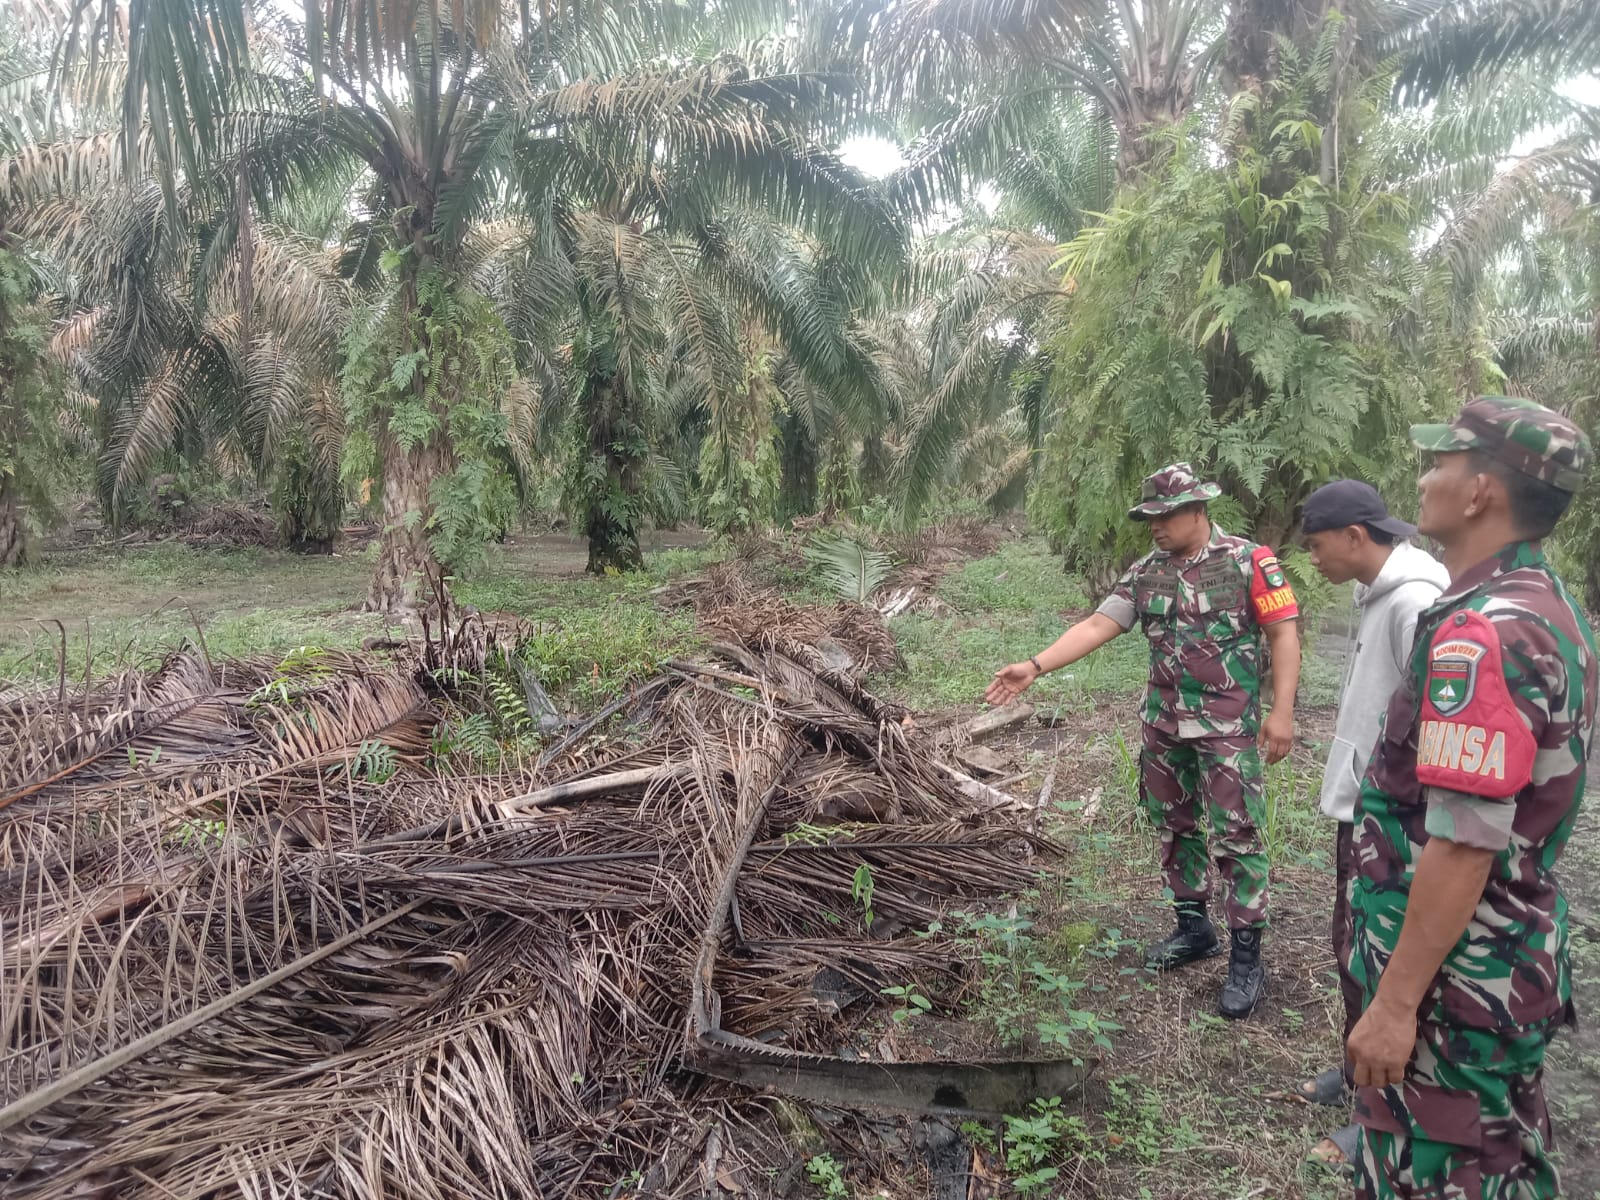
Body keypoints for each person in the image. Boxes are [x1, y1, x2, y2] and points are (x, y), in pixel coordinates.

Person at [1343, 396, 1595, 1199]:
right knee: (1501, 1161)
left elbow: (1462, 841)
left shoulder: (1486, 632)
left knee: (1451, 1173)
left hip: (1459, 981)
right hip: (1495, 963)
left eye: (1439, 463)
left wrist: (1394, 1003)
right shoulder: (1542, 605)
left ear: (1480, 490)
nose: (1422, 481)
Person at [987, 462, 1301, 1018]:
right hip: (1164, 725)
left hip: (1227, 728)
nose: (1154, 526)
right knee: (1173, 824)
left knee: (1238, 835)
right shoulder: (1145, 573)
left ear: (1198, 510)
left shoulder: (1251, 562)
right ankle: (1193, 928)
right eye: (1147, 517)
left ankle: (1246, 958)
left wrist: (1282, 711)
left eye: (1164, 515)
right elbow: (1096, 626)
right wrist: (1035, 666)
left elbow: (1283, 633)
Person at [1296, 480, 1449, 1167]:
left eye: (1317, 544)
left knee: (1382, 960)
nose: (1314, 558)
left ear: (1356, 535)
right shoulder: (1379, 595)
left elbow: (1431, 726)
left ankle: (1384, 1115)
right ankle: (1359, 1073)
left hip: (1394, 822)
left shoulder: (1415, 601)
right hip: (1365, 809)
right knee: (1352, 950)